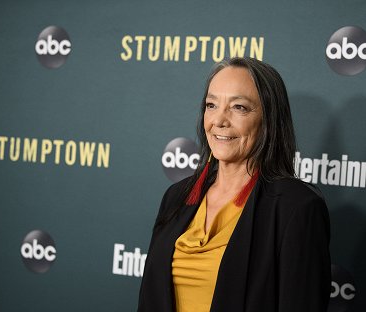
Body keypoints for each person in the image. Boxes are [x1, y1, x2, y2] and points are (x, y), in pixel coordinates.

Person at [138, 57, 331, 312]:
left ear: (268, 120)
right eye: (211, 105)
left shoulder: (296, 209)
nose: (219, 120)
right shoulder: (176, 196)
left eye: (239, 107)